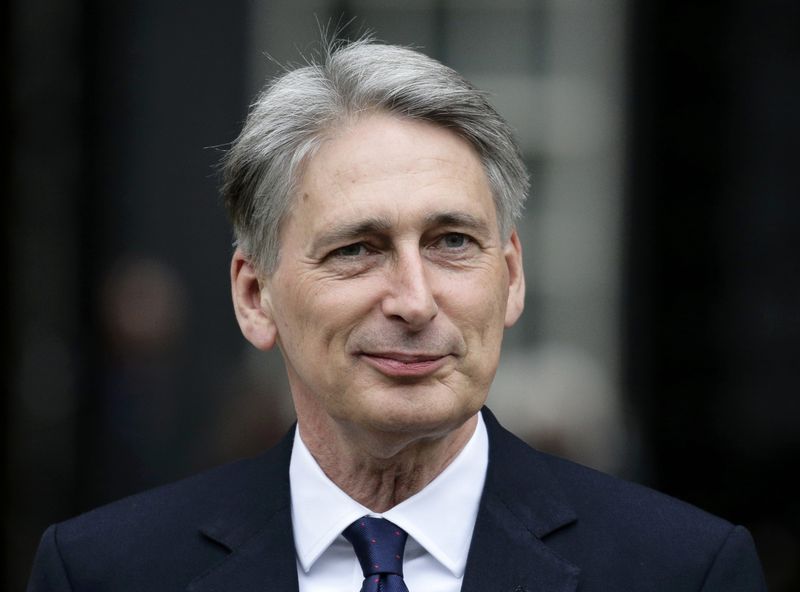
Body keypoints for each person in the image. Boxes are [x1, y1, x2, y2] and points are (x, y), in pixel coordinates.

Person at [27, 38, 767, 592]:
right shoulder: (103, 572)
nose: (414, 300)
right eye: (357, 249)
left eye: (451, 242)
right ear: (255, 297)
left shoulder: (682, 571)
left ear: (510, 279)